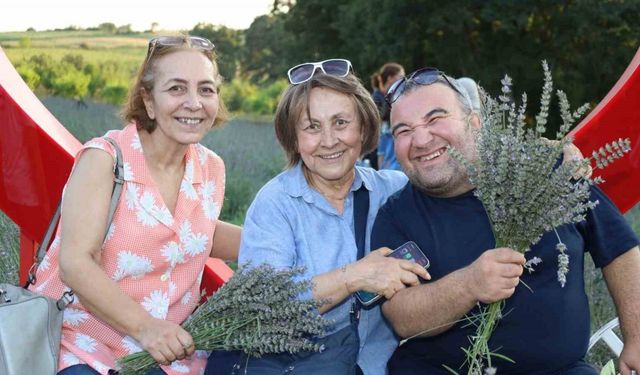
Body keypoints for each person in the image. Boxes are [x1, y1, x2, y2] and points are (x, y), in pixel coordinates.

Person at [371, 67, 640, 374]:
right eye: (403, 130)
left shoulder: (547, 172)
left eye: (435, 119)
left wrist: (637, 336)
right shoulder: (395, 216)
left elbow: (618, 248)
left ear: (475, 123)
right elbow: (401, 316)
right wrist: (469, 284)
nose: (420, 139)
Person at [32, 35, 242, 375]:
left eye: (206, 89)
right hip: (82, 343)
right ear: (148, 100)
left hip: (169, 353)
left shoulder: (211, 167)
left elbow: (192, 230)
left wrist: (268, 241)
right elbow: (75, 263)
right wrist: (147, 328)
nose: (194, 103)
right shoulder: (105, 159)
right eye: (176, 89)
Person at [206, 59, 429, 375]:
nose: (328, 140)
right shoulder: (276, 204)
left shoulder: (394, 190)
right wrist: (353, 276)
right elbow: (264, 309)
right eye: (312, 127)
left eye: (341, 123)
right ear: (293, 138)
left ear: (364, 127)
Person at [370, 62, 405, 170]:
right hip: (380, 148)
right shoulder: (376, 97)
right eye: (400, 77)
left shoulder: (388, 94)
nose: (403, 80)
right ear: (390, 78)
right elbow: (378, 119)